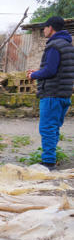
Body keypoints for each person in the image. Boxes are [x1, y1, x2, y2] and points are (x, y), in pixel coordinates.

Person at [28, 16, 74, 170]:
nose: (43, 30)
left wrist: (33, 75)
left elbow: (50, 70)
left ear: (51, 28)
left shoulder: (54, 45)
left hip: (52, 94)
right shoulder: (68, 45)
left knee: (47, 128)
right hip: (64, 94)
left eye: (45, 27)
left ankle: (48, 162)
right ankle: (51, 158)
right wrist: (39, 71)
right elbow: (59, 69)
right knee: (54, 128)